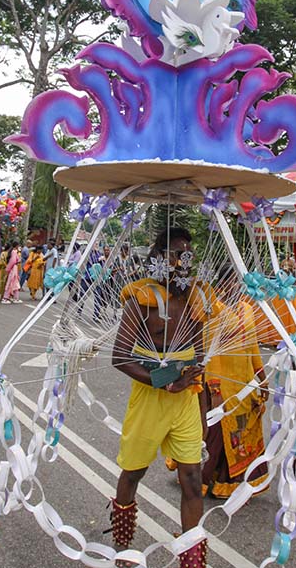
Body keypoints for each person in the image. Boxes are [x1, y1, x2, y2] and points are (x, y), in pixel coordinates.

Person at [111, 228, 208, 568]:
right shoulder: (143, 298)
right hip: (150, 400)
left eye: (188, 254)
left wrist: (202, 407)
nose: (182, 260)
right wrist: (168, 382)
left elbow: (199, 361)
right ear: (159, 257)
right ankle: (122, 545)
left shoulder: (196, 299)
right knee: (133, 473)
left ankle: (192, 560)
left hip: (186, 403)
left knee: (193, 480)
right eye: (175, 253)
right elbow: (120, 357)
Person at [201, 264, 268, 498]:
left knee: (244, 435)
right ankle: (205, 481)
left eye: (239, 283)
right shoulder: (214, 311)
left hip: (245, 384)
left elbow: (253, 347)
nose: (236, 287)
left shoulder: (247, 309)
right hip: (223, 384)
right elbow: (211, 354)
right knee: (218, 436)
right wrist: (215, 389)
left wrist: (262, 379)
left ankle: (235, 484)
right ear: (221, 285)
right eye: (231, 282)